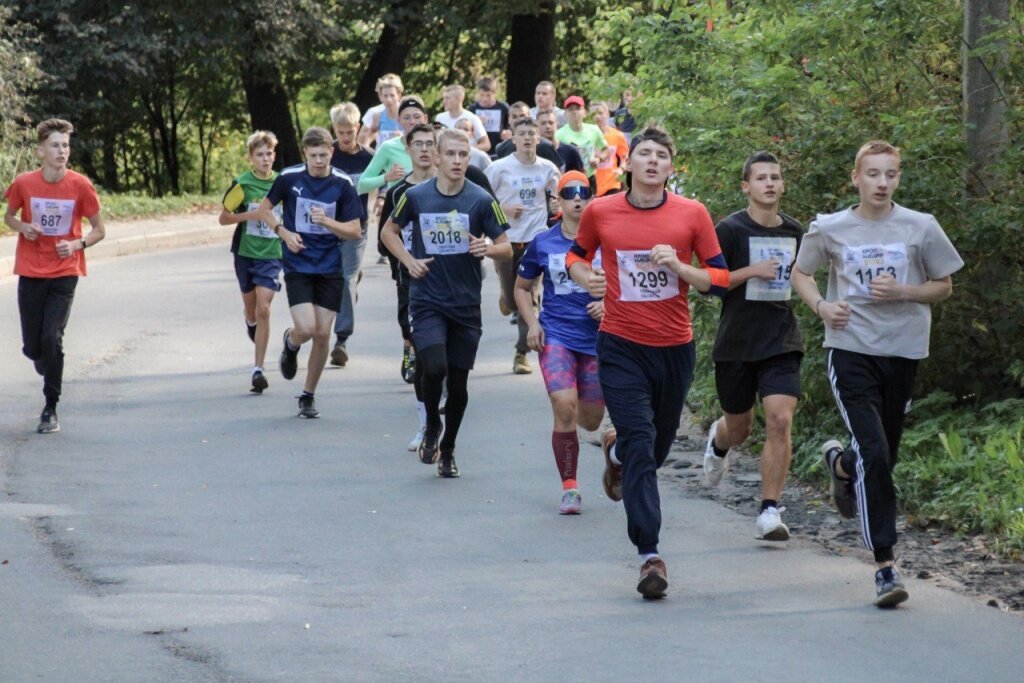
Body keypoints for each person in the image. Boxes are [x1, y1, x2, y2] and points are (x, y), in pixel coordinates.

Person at [791, 140, 963, 608]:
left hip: (903, 351)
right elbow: (800, 273)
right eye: (873, 174)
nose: (882, 183)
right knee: (876, 450)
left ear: (898, 178)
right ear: (856, 178)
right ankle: (885, 565)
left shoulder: (920, 226)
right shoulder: (830, 228)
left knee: (883, 452)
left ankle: (840, 466)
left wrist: (903, 290)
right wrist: (823, 306)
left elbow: (944, 285)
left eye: (890, 174)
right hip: (850, 349)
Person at [566, 127, 729, 599]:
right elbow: (576, 257)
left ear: (671, 168)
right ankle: (649, 555)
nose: (653, 161)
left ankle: (614, 453)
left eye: (662, 155)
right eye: (644, 154)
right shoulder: (601, 210)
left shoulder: (691, 214)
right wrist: (586, 279)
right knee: (643, 444)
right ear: (628, 164)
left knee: (651, 452)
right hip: (620, 345)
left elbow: (717, 279)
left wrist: (680, 268)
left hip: (674, 348)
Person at [381, 128, 512, 478]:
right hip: (427, 299)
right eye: (450, 154)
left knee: (458, 383)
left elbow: (506, 245)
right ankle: (431, 427)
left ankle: (449, 448)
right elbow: (388, 232)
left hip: (465, 304)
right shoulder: (417, 196)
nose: (457, 161)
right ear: (437, 157)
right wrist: (408, 261)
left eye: (463, 155)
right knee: (433, 366)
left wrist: (488, 248)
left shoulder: (481, 199)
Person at [702, 151, 804, 542]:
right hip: (737, 341)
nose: (769, 184)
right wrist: (751, 272)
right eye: (761, 178)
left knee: (780, 419)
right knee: (739, 429)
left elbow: (805, 277)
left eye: (775, 177)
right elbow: (710, 282)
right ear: (746, 186)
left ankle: (769, 510)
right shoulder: (729, 229)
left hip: (781, 338)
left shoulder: (796, 232)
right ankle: (719, 440)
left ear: (782, 184)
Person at [4, 118, 106, 434]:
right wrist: (23, 226)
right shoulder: (24, 183)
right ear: (40, 151)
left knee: (52, 337)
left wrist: (77, 243)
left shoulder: (80, 185)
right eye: (55, 145)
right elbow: (9, 216)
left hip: (65, 270)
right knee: (33, 347)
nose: (62, 151)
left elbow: (99, 229)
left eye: (65, 145)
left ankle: (50, 407)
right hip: (31, 271)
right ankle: (42, 358)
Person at [258, 127, 364, 418]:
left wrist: (329, 223)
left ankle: (308, 395)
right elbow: (265, 210)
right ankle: (291, 344)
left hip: (330, 266)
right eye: (313, 155)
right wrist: (284, 233)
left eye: (324, 155)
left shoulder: (342, 183)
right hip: (299, 264)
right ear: (305, 153)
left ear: (332, 152)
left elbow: (355, 229)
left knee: (322, 334)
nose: (319, 161)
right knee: (306, 328)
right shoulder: (289, 178)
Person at [515, 171, 605, 514]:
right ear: (558, 201)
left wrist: (609, 303)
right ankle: (570, 487)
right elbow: (522, 288)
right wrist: (532, 324)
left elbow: (628, 283)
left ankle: (609, 447)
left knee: (592, 421)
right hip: (557, 335)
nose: (577, 198)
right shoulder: (543, 242)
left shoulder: (606, 241)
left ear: (592, 198)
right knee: (564, 405)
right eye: (570, 193)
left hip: (597, 339)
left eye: (584, 192)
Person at [484, 116, 560, 375]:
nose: (527, 137)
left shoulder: (547, 168)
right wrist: (502, 208)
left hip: (536, 240)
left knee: (529, 295)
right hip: (506, 240)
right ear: (513, 138)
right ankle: (507, 299)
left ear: (539, 138)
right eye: (522, 133)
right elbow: (482, 196)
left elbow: (559, 195)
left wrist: (556, 206)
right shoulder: (499, 168)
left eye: (531, 133)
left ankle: (521, 354)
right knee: (512, 297)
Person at [379, 123, 439, 449]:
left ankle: (438, 401)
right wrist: (407, 261)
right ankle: (425, 424)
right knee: (422, 356)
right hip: (412, 284)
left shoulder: (453, 186)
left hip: (450, 284)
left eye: (431, 144)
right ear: (409, 147)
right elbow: (385, 237)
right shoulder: (398, 193)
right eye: (419, 144)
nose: (425, 150)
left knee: (443, 361)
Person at [218, 130, 282, 394]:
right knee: (252, 309)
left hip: (272, 253)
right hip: (245, 253)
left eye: (269, 154)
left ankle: (258, 369)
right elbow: (223, 218)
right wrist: (252, 214)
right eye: (260, 155)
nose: (265, 159)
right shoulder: (242, 184)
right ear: (251, 158)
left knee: (264, 308)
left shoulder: (283, 183)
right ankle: (251, 323)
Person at [328, 102, 375, 368]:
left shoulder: (368, 157)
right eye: (340, 132)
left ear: (358, 128)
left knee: (345, 279)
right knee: (334, 278)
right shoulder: (327, 154)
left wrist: (378, 202)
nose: (345, 137)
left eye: (350, 132)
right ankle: (353, 279)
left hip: (357, 226)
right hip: (327, 225)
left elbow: (380, 182)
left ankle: (341, 340)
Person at [494, 102, 564, 170]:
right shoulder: (502, 148)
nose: (518, 120)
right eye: (514, 117)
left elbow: (558, 173)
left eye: (522, 115)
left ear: (530, 117)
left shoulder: (546, 146)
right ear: (509, 119)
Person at [556, 96, 609, 185]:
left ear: (585, 112)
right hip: (569, 179)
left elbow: (606, 150)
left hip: (589, 177)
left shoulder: (594, 130)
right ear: (565, 114)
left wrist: (598, 159)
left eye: (578, 108)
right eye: (570, 109)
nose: (574, 112)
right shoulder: (558, 134)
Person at [434, 84, 490, 153]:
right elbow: (435, 142)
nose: (444, 101)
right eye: (444, 98)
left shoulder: (472, 118)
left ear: (459, 99)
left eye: (447, 98)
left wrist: (464, 150)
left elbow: (486, 145)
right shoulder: (439, 118)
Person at [590, 101, 628, 196]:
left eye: (600, 113)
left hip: (611, 184)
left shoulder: (617, 135)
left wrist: (621, 169)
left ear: (607, 114)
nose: (597, 117)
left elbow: (626, 157)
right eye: (594, 114)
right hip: (591, 184)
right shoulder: (585, 135)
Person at [359, 73, 404, 148]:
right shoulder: (377, 116)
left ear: (399, 95)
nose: (389, 100)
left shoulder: (406, 115)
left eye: (392, 95)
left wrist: (402, 137)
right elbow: (370, 132)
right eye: (385, 96)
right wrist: (366, 145)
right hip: (383, 155)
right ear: (380, 97)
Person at [467, 76, 510, 155]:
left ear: (494, 93)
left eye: (488, 95)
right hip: (479, 150)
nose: (484, 99)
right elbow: (467, 130)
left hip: (498, 149)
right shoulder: (472, 109)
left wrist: (508, 131)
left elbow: (510, 125)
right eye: (482, 95)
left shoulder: (503, 108)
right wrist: (477, 123)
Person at [537, 109, 585, 175]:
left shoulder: (571, 151)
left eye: (551, 123)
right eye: (543, 123)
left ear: (556, 124)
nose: (547, 126)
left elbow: (581, 178)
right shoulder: (533, 152)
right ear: (536, 126)